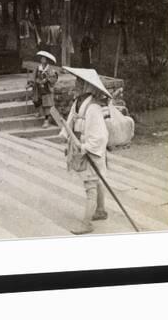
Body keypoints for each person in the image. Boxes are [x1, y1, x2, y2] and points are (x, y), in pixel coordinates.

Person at [59, 66, 112, 235]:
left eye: (80, 82)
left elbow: (101, 136)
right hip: (80, 147)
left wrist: (86, 147)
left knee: (91, 184)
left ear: (88, 87)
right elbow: (70, 122)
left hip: (91, 150)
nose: (76, 84)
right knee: (97, 180)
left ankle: (86, 223)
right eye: (77, 81)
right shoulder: (78, 103)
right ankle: (101, 210)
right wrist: (66, 138)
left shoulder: (94, 108)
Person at [28, 51, 59, 128]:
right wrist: (31, 83)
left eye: (44, 59)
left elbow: (54, 78)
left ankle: (46, 120)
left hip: (46, 88)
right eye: (42, 58)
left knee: (47, 105)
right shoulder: (38, 68)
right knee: (37, 100)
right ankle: (39, 112)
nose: (42, 60)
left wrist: (48, 79)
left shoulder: (50, 69)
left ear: (47, 60)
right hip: (38, 88)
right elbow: (33, 76)